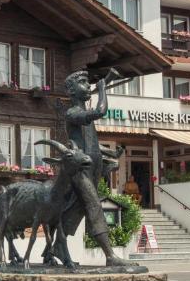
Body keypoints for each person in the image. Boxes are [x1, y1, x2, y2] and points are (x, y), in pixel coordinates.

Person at [50, 68, 132, 267]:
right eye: (83, 83)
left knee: (75, 208)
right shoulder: (73, 113)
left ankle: (55, 248)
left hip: (93, 167)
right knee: (94, 206)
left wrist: (111, 154)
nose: (88, 86)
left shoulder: (83, 115)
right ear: (71, 91)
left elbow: (91, 143)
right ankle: (110, 255)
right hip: (80, 170)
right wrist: (102, 89)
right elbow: (100, 111)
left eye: (89, 83)